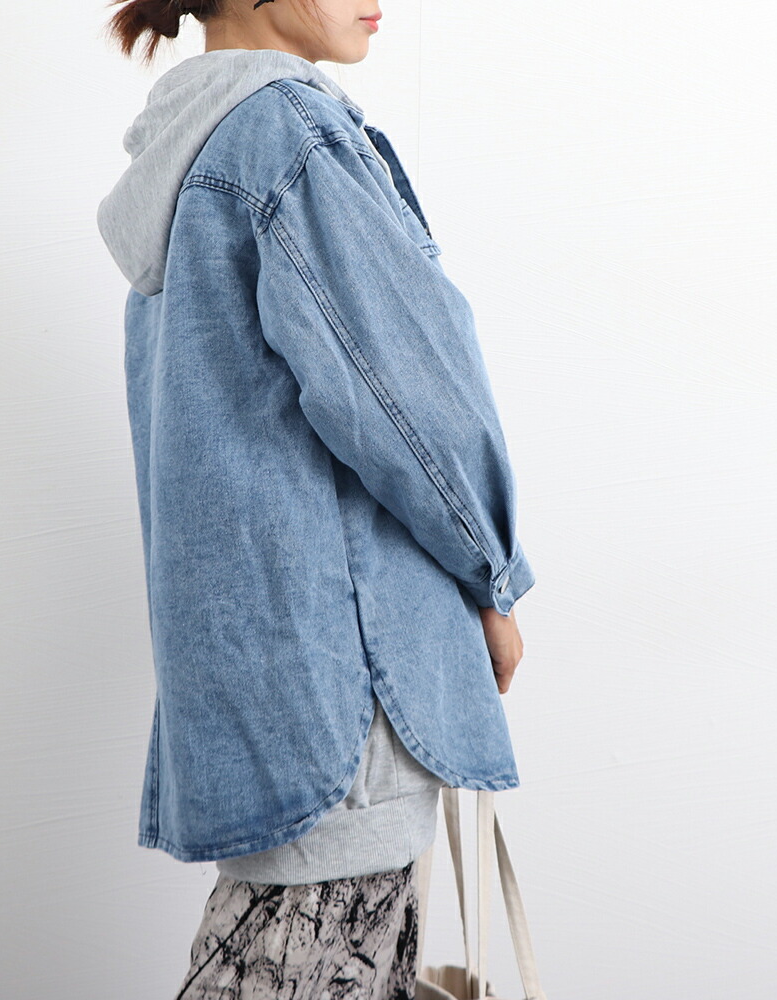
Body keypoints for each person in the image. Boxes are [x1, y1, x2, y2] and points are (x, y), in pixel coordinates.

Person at [97, 0, 535, 996]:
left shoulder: (194, 149)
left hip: (265, 699)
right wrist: (492, 571)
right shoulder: (286, 137)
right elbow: (409, 398)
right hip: (349, 700)